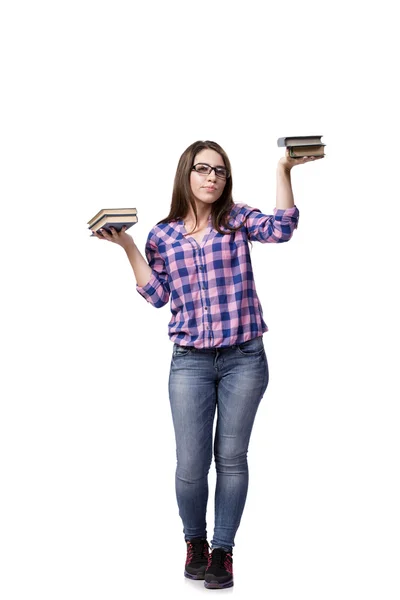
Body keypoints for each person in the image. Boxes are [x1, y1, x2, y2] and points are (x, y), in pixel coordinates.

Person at [93, 140, 322, 589]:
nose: (211, 177)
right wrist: (127, 247)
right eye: (203, 169)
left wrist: (284, 170)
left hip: (244, 360)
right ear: (187, 174)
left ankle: (222, 552)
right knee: (190, 465)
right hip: (190, 364)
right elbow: (158, 296)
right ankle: (194, 542)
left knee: (232, 459)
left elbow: (281, 229)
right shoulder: (162, 235)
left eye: (219, 171)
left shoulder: (235, 219)